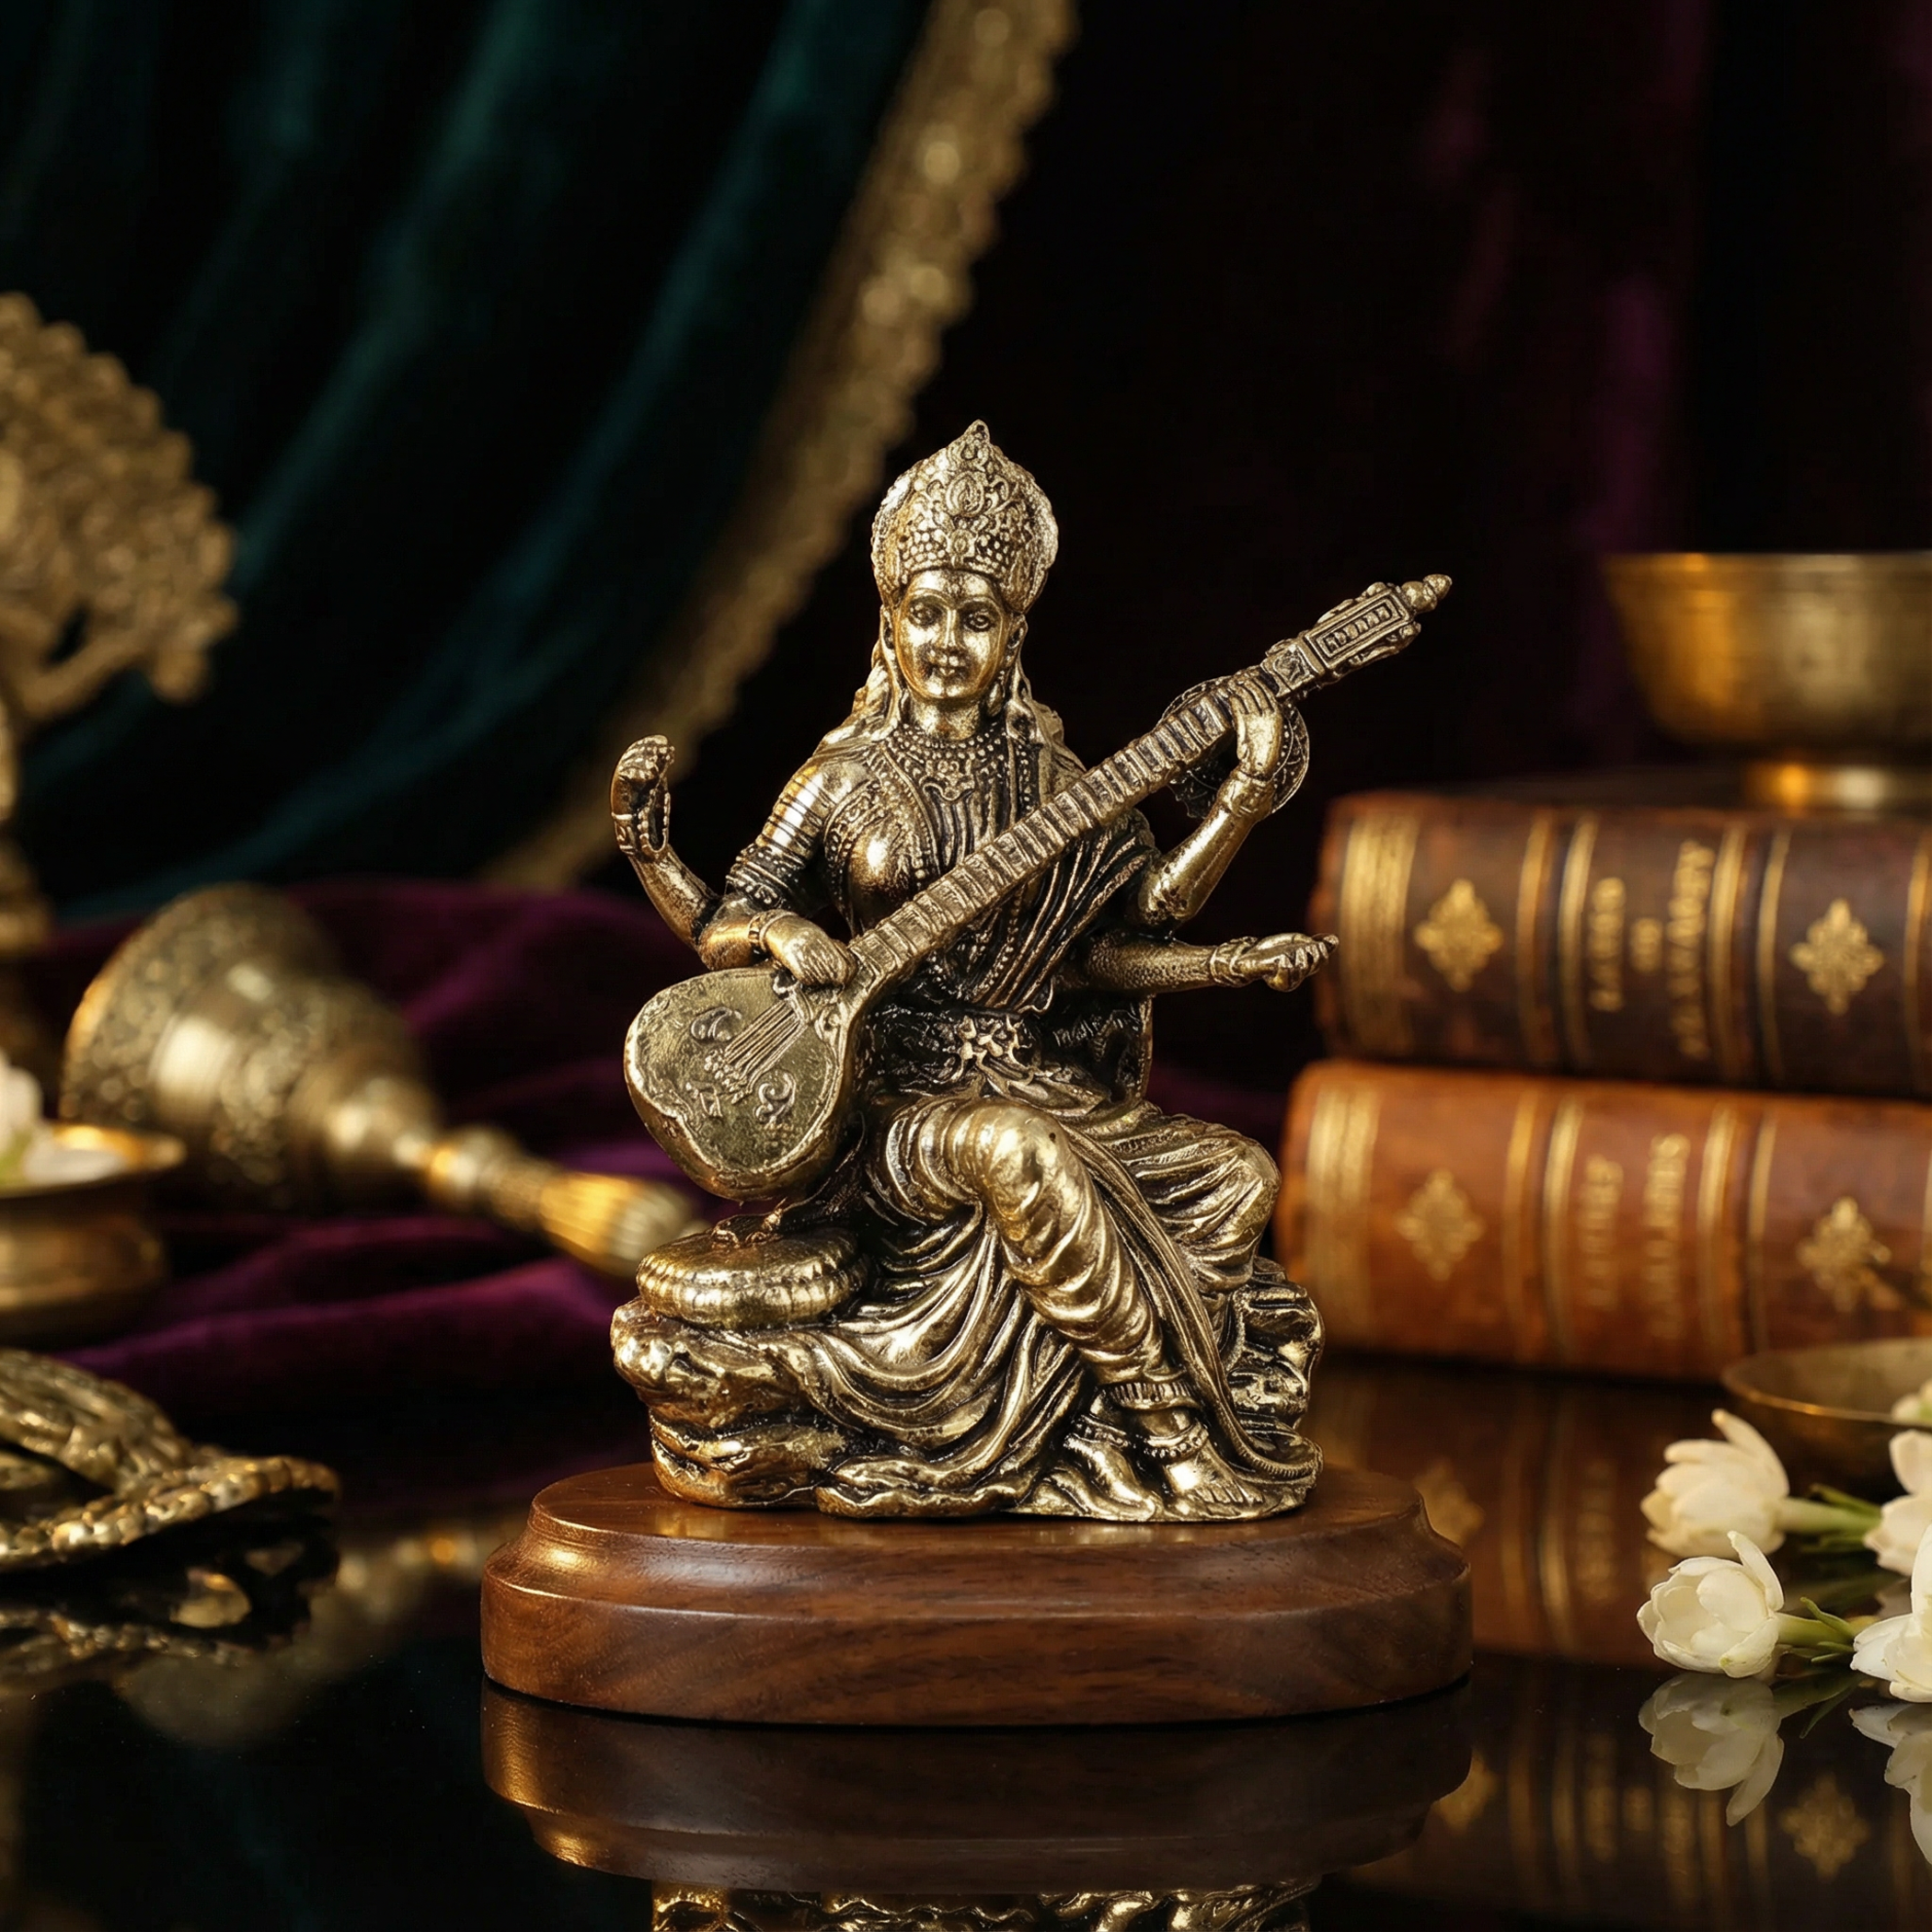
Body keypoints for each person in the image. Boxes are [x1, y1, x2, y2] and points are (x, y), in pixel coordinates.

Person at [614, 422, 1334, 1521]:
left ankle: (1082, 1416)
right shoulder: (842, 774)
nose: (947, 641)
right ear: (890, 621)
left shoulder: (1054, 777)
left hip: (1036, 1078)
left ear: (1014, 632)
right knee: (1016, 1154)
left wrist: (1238, 813)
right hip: (890, 1106)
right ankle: (1168, 1431)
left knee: (1237, 1175)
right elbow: (726, 922)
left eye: (976, 617)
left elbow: (1128, 932)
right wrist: (745, 915)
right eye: (927, 612)